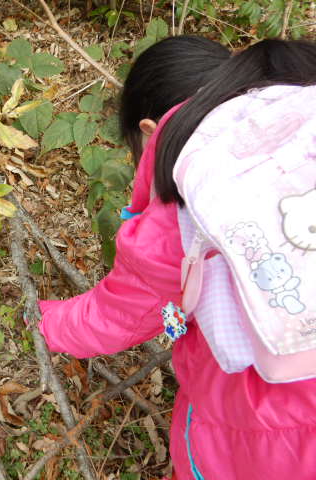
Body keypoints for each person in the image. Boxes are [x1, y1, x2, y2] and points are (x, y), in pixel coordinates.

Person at [38, 38, 316, 480]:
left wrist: (43, 324)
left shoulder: (189, 203)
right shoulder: (301, 127)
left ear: (150, 132)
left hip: (271, 435)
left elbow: (114, 315)